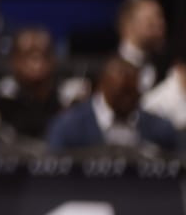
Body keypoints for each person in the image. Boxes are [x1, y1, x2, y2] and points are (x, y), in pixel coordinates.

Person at [47, 58, 178, 154]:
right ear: (101, 86)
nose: (126, 100)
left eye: (131, 93)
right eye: (120, 92)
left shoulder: (160, 129)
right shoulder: (68, 127)